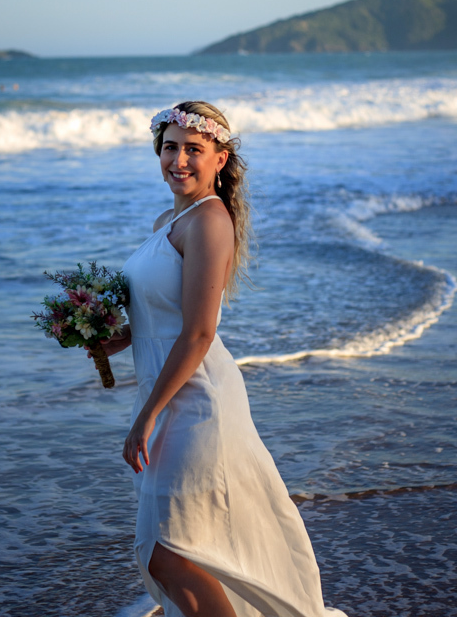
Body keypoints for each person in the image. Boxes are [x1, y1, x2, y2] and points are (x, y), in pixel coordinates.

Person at [92, 101, 346, 617]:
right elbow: (161, 313)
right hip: (167, 392)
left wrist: (146, 417)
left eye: (193, 149)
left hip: (196, 403)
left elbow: (201, 332)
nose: (178, 160)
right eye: (169, 148)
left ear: (220, 159)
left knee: (170, 551)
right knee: (182, 549)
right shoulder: (171, 218)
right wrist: (112, 338)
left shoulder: (208, 221)